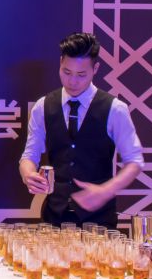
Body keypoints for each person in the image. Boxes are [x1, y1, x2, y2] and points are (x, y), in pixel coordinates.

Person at [19, 32, 144, 229]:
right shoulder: (43, 106)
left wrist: (106, 190)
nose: (72, 81)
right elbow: (29, 156)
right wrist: (28, 174)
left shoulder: (115, 109)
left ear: (95, 69)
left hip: (100, 222)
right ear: (60, 63)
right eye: (66, 72)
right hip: (54, 217)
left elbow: (134, 162)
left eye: (81, 75)